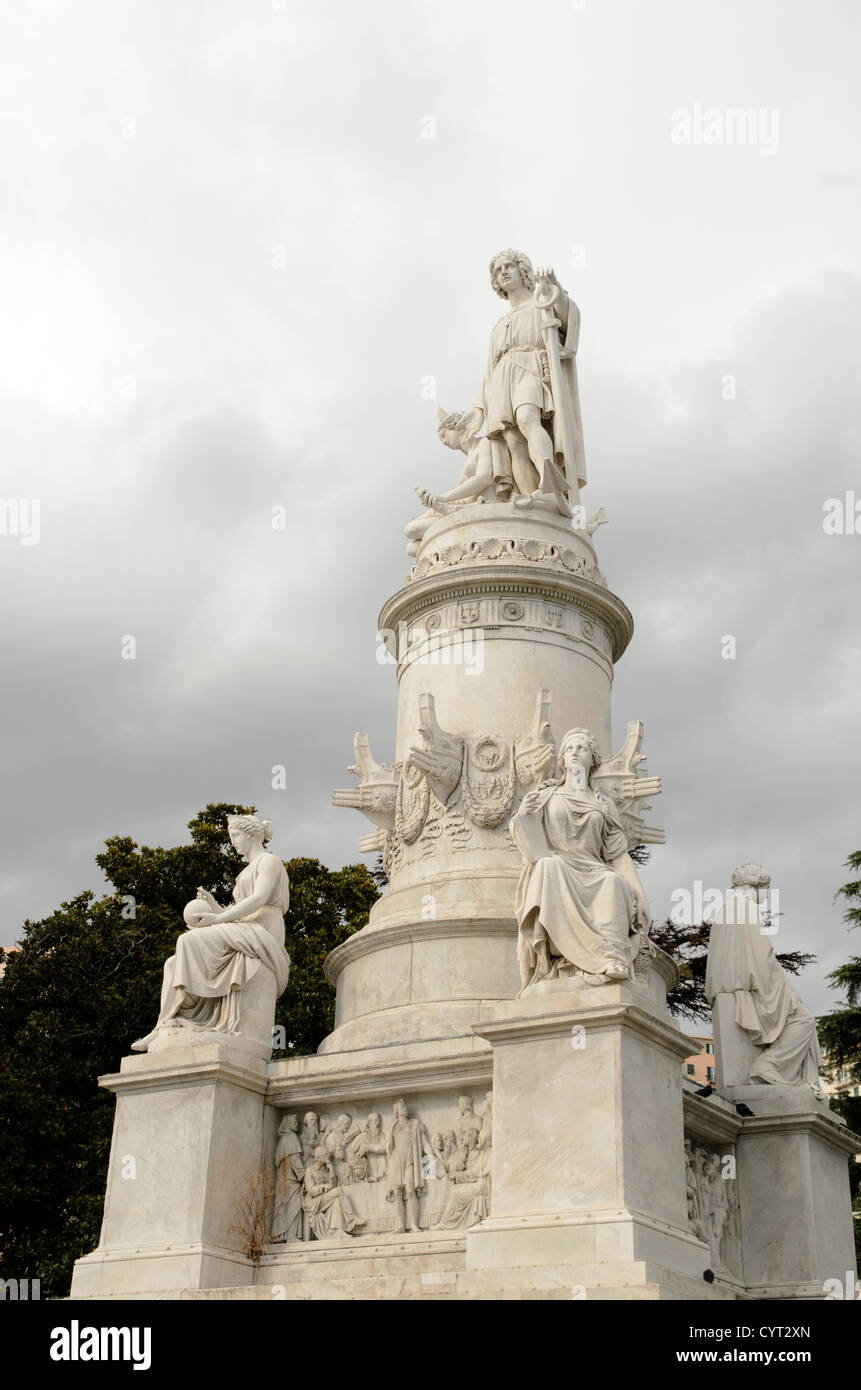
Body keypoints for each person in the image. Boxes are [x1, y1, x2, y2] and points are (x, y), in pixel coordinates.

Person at [132, 814, 290, 1050]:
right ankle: (165, 1024)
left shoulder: (269, 861)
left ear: (252, 834)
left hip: (263, 929)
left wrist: (217, 918)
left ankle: (179, 1021)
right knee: (172, 964)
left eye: (235, 835)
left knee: (188, 940)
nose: (233, 841)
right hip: (245, 927)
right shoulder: (244, 872)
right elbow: (239, 911)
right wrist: (215, 906)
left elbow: (258, 899)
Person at [510, 729, 650, 989]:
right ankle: (562, 955)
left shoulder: (604, 803)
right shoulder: (546, 795)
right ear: (562, 759)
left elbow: (618, 855)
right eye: (569, 748)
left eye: (581, 748)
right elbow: (530, 842)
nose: (574, 752)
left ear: (593, 760)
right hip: (560, 865)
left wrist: (640, 895)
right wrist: (524, 814)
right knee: (548, 865)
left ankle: (612, 958)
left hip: (595, 870)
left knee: (612, 882)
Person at [705, 864, 823, 1087]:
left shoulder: (725, 910)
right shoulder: (745, 908)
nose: (767, 895)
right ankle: (769, 1065)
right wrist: (788, 990)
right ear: (755, 887)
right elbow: (761, 958)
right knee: (804, 1018)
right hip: (749, 991)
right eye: (766, 889)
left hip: (731, 987)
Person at [385, 1098, 433, 1233]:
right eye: (402, 1107)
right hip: (396, 1162)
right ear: (397, 1111)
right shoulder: (393, 1128)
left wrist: (432, 1156)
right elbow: (387, 1148)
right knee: (397, 1193)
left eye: (405, 1107)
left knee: (410, 1190)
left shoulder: (415, 1124)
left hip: (410, 1160)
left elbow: (425, 1143)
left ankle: (413, 1224)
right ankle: (401, 1225)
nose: (405, 1109)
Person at [301, 1148, 365, 1241]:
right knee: (339, 1191)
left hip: (325, 1200)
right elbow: (310, 1190)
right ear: (318, 1156)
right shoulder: (309, 1170)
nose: (328, 1157)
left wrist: (331, 1168)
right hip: (314, 1202)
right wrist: (323, 1187)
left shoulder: (326, 1169)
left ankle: (336, 1230)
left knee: (337, 1201)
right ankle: (351, 1218)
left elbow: (333, 1185)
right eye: (325, 1154)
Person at [271, 1114, 305, 1243]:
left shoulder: (283, 1140)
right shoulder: (291, 1137)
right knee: (295, 1204)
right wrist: (303, 1174)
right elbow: (295, 1159)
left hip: (284, 1179)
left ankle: (282, 1235)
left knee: (284, 1205)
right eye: (294, 1121)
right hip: (291, 1180)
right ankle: (291, 1235)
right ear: (289, 1123)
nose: (296, 1124)